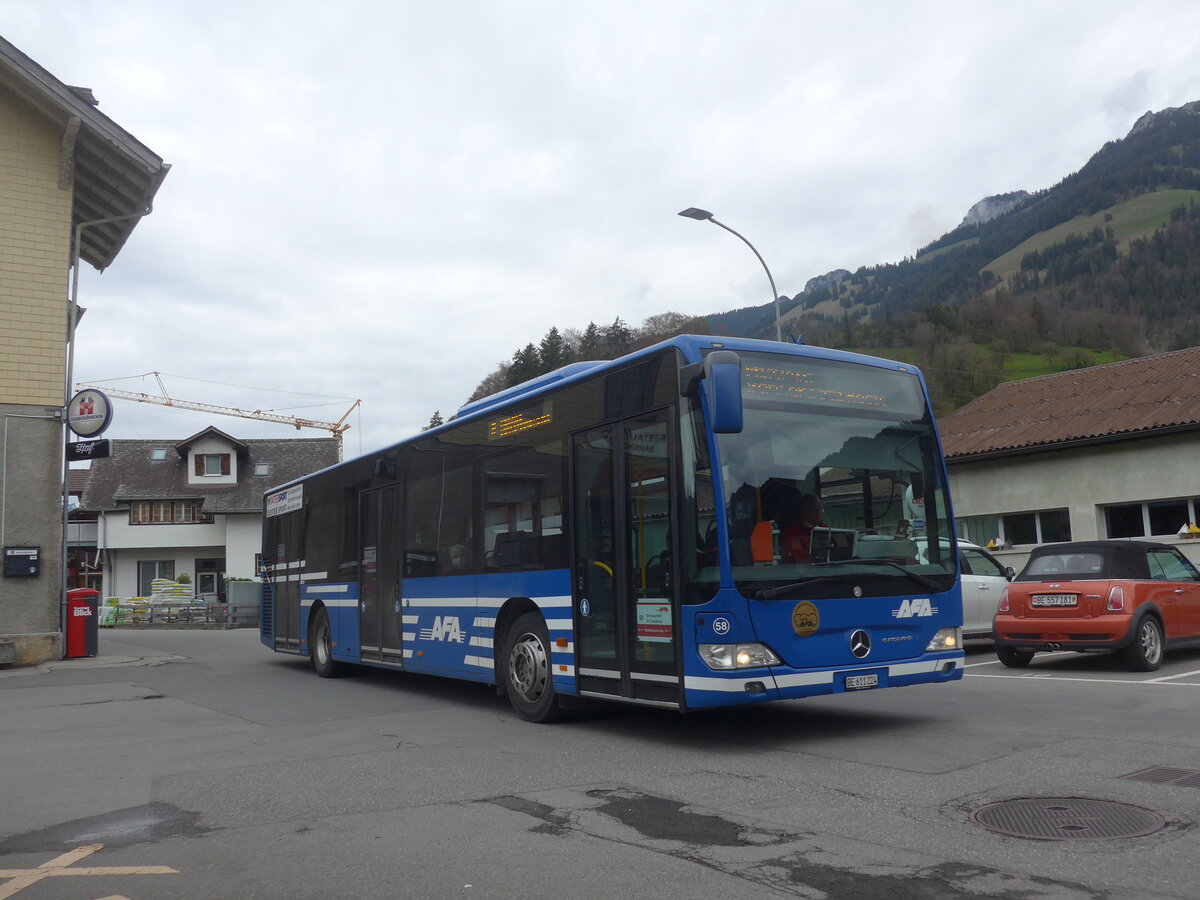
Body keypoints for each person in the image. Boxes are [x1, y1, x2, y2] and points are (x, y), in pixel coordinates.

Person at [780, 494, 824, 563]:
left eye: (820, 509)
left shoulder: (827, 529)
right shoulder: (792, 532)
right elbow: (797, 557)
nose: (819, 512)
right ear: (803, 511)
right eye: (814, 509)